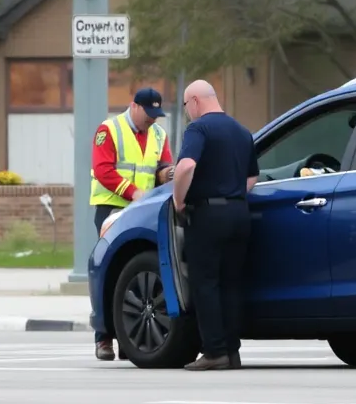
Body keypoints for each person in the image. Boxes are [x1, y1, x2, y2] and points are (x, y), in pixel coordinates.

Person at [171, 80, 257, 371]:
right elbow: (251, 179)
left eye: (185, 106)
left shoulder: (199, 129)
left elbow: (185, 166)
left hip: (208, 216)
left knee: (205, 283)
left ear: (194, 101)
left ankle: (214, 351)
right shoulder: (242, 131)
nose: (187, 113)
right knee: (231, 284)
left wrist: (179, 200)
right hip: (239, 214)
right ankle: (232, 352)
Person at [89, 87, 175, 361]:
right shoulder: (109, 130)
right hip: (113, 208)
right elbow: (103, 170)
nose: (152, 120)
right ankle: (103, 338)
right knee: (112, 272)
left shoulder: (159, 134)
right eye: (148, 114)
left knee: (138, 275)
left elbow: (162, 169)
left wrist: (168, 173)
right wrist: (133, 192)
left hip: (144, 212)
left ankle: (129, 339)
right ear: (134, 107)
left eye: (156, 115)